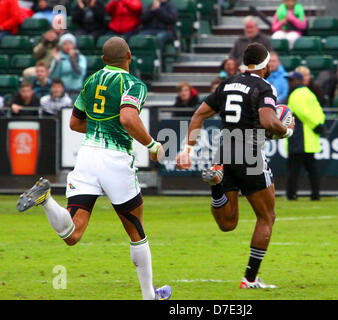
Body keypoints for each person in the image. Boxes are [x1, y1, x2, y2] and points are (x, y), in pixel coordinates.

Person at [17, 37, 171, 300]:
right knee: (136, 230)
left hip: (87, 157)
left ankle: (46, 200)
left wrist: (102, 127)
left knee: (72, 234)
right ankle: (149, 296)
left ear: (102, 60)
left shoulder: (91, 80)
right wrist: (153, 145)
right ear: (129, 57)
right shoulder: (133, 84)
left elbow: (75, 124)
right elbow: (128, 116)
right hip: (115, 159)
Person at [176, 43, 295, 289]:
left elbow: (199, 114)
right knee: (267, 216)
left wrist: (187, 150)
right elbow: (267, 119)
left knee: (228, 223)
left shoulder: (228, 83)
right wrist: (284, 131)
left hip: (224, 152)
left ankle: (216, 187)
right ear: (264, 64)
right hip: (249, 154)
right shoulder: (265, 87)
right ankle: (250, 279)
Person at [285, 71, 325, 201]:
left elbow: (302, 112)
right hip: (310, 138)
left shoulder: (296, 94)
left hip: (299, 137)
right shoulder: (309, 93)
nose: (289, 82)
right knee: (312, 169)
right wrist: (319, 124)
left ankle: (291, 194)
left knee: (294, 169)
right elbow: (319, 111)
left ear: (299, 81)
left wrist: (314, 125)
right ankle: (315, 194)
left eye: (292, 80)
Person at [23, 15, 67, 79]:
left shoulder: (67, 38)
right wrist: (45, 43)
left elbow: (65, 51)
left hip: (60, 67)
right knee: (27, 72)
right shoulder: (45, 37)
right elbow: (36, 54)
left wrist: (56, 41)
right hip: (44, 68)